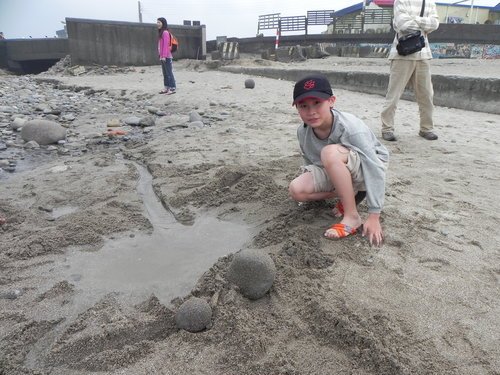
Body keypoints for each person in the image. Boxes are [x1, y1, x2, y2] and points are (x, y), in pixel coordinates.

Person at [289, 74, 389, 247]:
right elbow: (310, 163)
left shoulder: (350, 128)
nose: (311, 111)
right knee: (296, 190)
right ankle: (350, 194)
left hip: (366, 168)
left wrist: (374, 215)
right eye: (303, 106)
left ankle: (352, 217)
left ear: (331, 101)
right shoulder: (302, 132)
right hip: (337, 168)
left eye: (317, 103)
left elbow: (375, 167)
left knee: (329, 153)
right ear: (297, 108)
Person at [380, 0, 440, 141]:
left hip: (424, 53)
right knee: (393, 94)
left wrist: (414, 20)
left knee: (426, 95)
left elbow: (435, 23)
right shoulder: (401, 1)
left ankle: (426, 128)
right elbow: (402, 24)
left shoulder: (429, 2)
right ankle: (387, 128)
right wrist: (424, 25)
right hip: (402, 53)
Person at [157, 17, 176, 95]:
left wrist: (164, 56)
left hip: (167, 56)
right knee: (165, 73)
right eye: (157, 22)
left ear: (163, 23)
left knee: (169, 72)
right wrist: (160, 56)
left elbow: (166, 45)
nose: (157, 24)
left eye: (159, 22)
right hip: (162, 56)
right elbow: (160, 46)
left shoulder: (165, 32)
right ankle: (166, 87)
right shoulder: (161, 32)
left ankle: (172, 87)